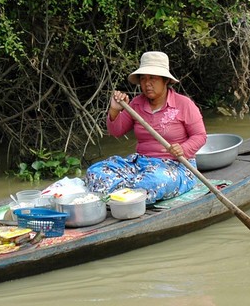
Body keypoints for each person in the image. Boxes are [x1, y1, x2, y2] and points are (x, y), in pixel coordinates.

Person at [85, 51, 207, 204]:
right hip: (140, 164)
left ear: (165, 81)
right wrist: (115, 110)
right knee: (95, 172)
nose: (147, 83)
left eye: (153, 78)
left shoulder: (184, 104)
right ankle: (127, 196)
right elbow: (116, 131)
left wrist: (183, 148)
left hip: (176, 166)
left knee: (154, 181)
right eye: (143, 79)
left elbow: (200, 136)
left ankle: (121, 195)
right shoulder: (136, 104)